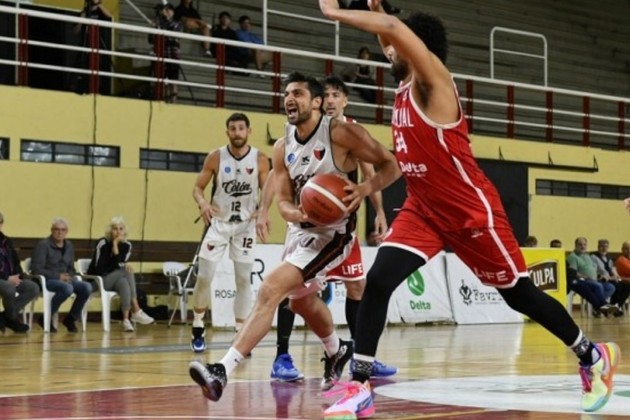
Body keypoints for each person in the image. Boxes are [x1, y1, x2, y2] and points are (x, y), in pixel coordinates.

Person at [317, 1, 620, 416]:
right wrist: (378, 11)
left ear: (416, 47)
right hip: (424, 209)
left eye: (394, 46)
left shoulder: (433, 84)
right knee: (379, 280)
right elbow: (390, 32)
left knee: (519, 295)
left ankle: (592, 355)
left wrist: (335, 14)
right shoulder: (406, 82)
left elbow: (393, 29)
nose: (387, 51)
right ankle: (359, 384)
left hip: (469, 210)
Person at [188, 71, 400, 401]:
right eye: (287, 93)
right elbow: (285, 198)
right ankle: (337, 349)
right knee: (300, 302)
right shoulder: (282, 146)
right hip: (300, 232)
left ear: (316, 102)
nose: (290, 98)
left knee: (270, 290)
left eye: (298, 93)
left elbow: (391, 165)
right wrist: (291, 212)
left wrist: (363, 189)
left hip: (332, 235)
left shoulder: (341, 133)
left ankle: (221, 370)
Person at [256, 75, 397, 383]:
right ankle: (283, 355)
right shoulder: (295, 132)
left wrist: (379, 212)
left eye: (336, 95)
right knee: (291, 288)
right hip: (306, 226)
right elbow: (279, 175)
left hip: (341, 226)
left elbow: (371, 172)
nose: (331, 100)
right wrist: (264, 209)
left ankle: (361, 356)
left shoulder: (348, 132)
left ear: (344, 101)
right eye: (327, 95)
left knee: (357, 287)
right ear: (319, 101)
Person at [189, 112, 270, 353]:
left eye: (241, 128)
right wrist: (203, 204)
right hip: (218, 223)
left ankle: (240, 333)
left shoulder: (260, 159)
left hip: (245, 225)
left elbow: (269, 189)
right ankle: (197, 325)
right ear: (227, 132)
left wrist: (264, 210)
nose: (237, 133)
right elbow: (197, 188)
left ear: (249, 131)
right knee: (205, 276)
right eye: (233, 129)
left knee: (243, 279)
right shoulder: (216, 157)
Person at [87, 217, 155, 332]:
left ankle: (126, 320)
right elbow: (100, 268)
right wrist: (114, 244)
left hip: (115, 280)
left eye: (121, 229)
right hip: (98, 281)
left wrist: (118, 251)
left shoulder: (127, 245)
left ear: (124, 231)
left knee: (124, 282)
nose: (118, 232)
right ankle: (136, 309)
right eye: (115, 229)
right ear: (110, 231)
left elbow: (119, 263)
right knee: (126, 271)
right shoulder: (102, 243)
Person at [31, 217, 93, 333]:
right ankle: (45, 317)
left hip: (65, 279)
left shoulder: (69, 246)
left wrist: (70, 276)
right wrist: (58, 276)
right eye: (57, 229)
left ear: (67, 232)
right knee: (67, 288)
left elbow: (71, 267)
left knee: (87, 287)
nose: (60, 232)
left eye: (63, 230)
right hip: (48, 280)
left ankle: (71, 318)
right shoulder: (43, 245)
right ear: (51, 230)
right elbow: (36, 269)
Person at [0, 211, 39, 333]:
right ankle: (11, 319)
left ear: (2, 224)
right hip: (3, 279)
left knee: (32, 288)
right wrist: (7, 278)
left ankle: (5, 317)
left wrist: (19, 276)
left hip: (11, 277)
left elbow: (15, 261)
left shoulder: (6, 241)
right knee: (9, 288)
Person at [150, 3, 182, 103]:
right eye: (165, 10)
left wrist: (162, 24)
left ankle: (173, 101)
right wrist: (153, 29)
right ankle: (161, 100)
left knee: (173, 80)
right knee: (160, 79)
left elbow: (172, 34)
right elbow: (150, 39)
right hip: (160, 55)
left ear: (173, 12)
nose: (166, 12)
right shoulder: (158, 23)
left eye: (169, 10)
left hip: (172, 55)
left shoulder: (177, 24)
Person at [591, 239, 630, 315]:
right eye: (602, 246)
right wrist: (601, 276)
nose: (604, 248)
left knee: (626, 287)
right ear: (598, 247)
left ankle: (613, 307)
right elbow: (593, 270)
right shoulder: (594, 257)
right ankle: (608, 308)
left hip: (609, 279)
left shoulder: (608, 258)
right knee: (617, 287)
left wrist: (616, 276)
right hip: (600, 279)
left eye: (606, 247)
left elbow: (612, 269)